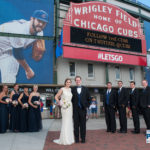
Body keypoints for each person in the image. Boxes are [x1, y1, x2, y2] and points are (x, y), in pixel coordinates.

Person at [0, 10, 48, 83]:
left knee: (9, 82)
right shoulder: (19, 30)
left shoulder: (40, 32)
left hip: (8, 51)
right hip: (6, 47)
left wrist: (40, 51)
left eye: (44, 22)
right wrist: (28, 70)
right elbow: (17, 53)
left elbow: (39, 48)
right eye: (39, 20)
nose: (41, 24)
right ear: (32, 18)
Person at [53, 78, 74, 145]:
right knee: (65, 122)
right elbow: (56, 97)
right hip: (64, 107)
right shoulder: (62, 89)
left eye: (69, 82)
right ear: (65, 83)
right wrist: (60, 103)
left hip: (70, 107)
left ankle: (69, 138)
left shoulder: (70, 89)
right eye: (67, 82)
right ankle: (64, 139)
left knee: (69, 122)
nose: (68, 83)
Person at [72, 76, 91, 143]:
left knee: (83, 125)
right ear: (75, 81)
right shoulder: (72, 89)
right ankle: (76, 139)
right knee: (76, 125)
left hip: (83, 110)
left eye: (79, 80)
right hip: (75, 110)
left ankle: (83, 139)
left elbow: (89, 99)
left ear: (81, 80)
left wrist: (87, 106)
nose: (78, 81)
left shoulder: (85, 89)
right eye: (76, 80)